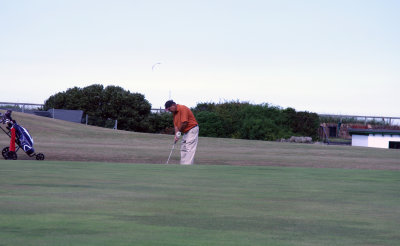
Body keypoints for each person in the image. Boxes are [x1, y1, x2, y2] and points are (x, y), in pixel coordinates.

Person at [165, 100, 199, 165]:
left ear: (173, 105)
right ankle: (183, 165)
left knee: (189, 148)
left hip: (192, 129)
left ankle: (187, 166)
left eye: (169, 109)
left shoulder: (182, 108)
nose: (169, 111)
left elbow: (184, 123)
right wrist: (176, 135)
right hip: (186, 131)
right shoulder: (174, 114)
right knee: (183, 147)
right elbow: (176, 126)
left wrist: (179, 133)